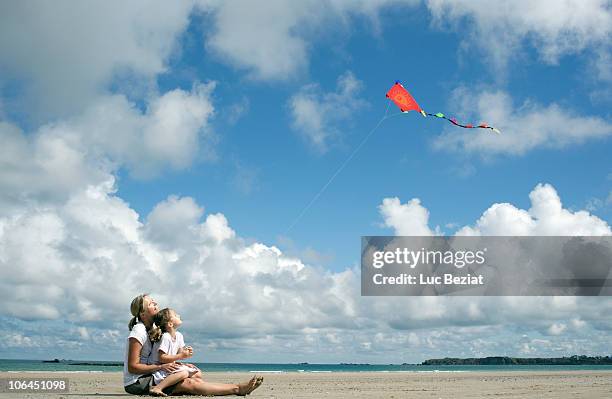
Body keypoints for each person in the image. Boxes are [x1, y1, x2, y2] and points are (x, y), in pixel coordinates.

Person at [123, 294, 263, 396]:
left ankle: (237, 388)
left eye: (154, 301)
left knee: (194, 377)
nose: (155, 304)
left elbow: (165, 354)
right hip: (137, 382)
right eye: (151, 304)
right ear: (142, 314)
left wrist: (176, 363)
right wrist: (162, 366)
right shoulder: (139, 331)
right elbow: (132, 367)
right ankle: (238, 389)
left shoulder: (154, 328)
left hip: (152, 374)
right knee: (190, 383)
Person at [148, 308, 201, 397]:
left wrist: (186, 353)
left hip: (170, 366)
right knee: (184, 373)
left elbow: (179, 355)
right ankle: (157, 388)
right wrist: (181, 355)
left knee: (198, 373)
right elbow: (161, 357)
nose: (179, 315)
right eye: (175, 315)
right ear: (170, 324)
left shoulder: (179, 336)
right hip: (160, 368)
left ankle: (175, 385)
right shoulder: (166, 337)